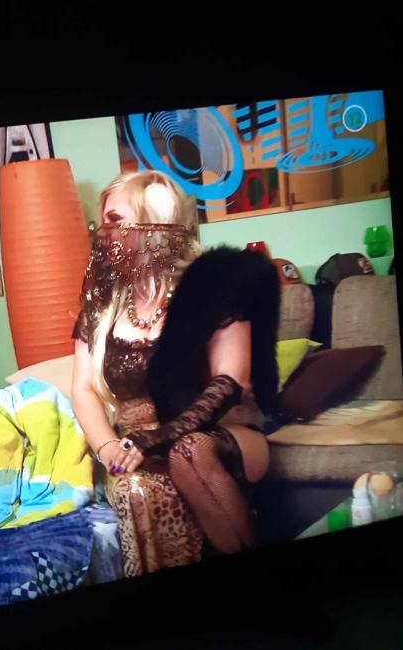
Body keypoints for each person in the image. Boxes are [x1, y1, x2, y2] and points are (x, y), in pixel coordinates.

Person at [71, 170, 280, 577]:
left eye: (115, 220)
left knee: (188, 452)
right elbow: (83, 388)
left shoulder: (215, 289)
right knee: (133, 487)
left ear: (155, 223)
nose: (103, 234)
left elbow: (229, 385)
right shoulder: (102, 303)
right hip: (136, 445)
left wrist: (159, 437)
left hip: (219, 431)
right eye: (102, 222)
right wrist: (109, 448)